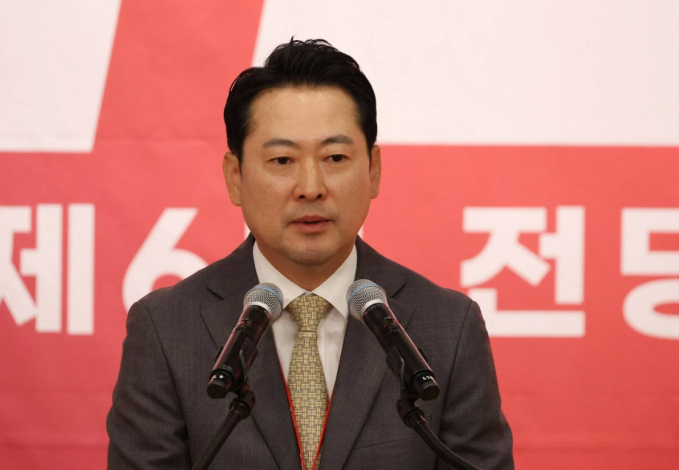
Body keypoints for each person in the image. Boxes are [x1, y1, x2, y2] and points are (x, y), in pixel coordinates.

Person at [106, 38, 513, 470]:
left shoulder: (449, 328)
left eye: (335, 157)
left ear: (373, 170)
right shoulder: (166, 329)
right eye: (282, 160)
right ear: (235, 177)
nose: (311, 187)